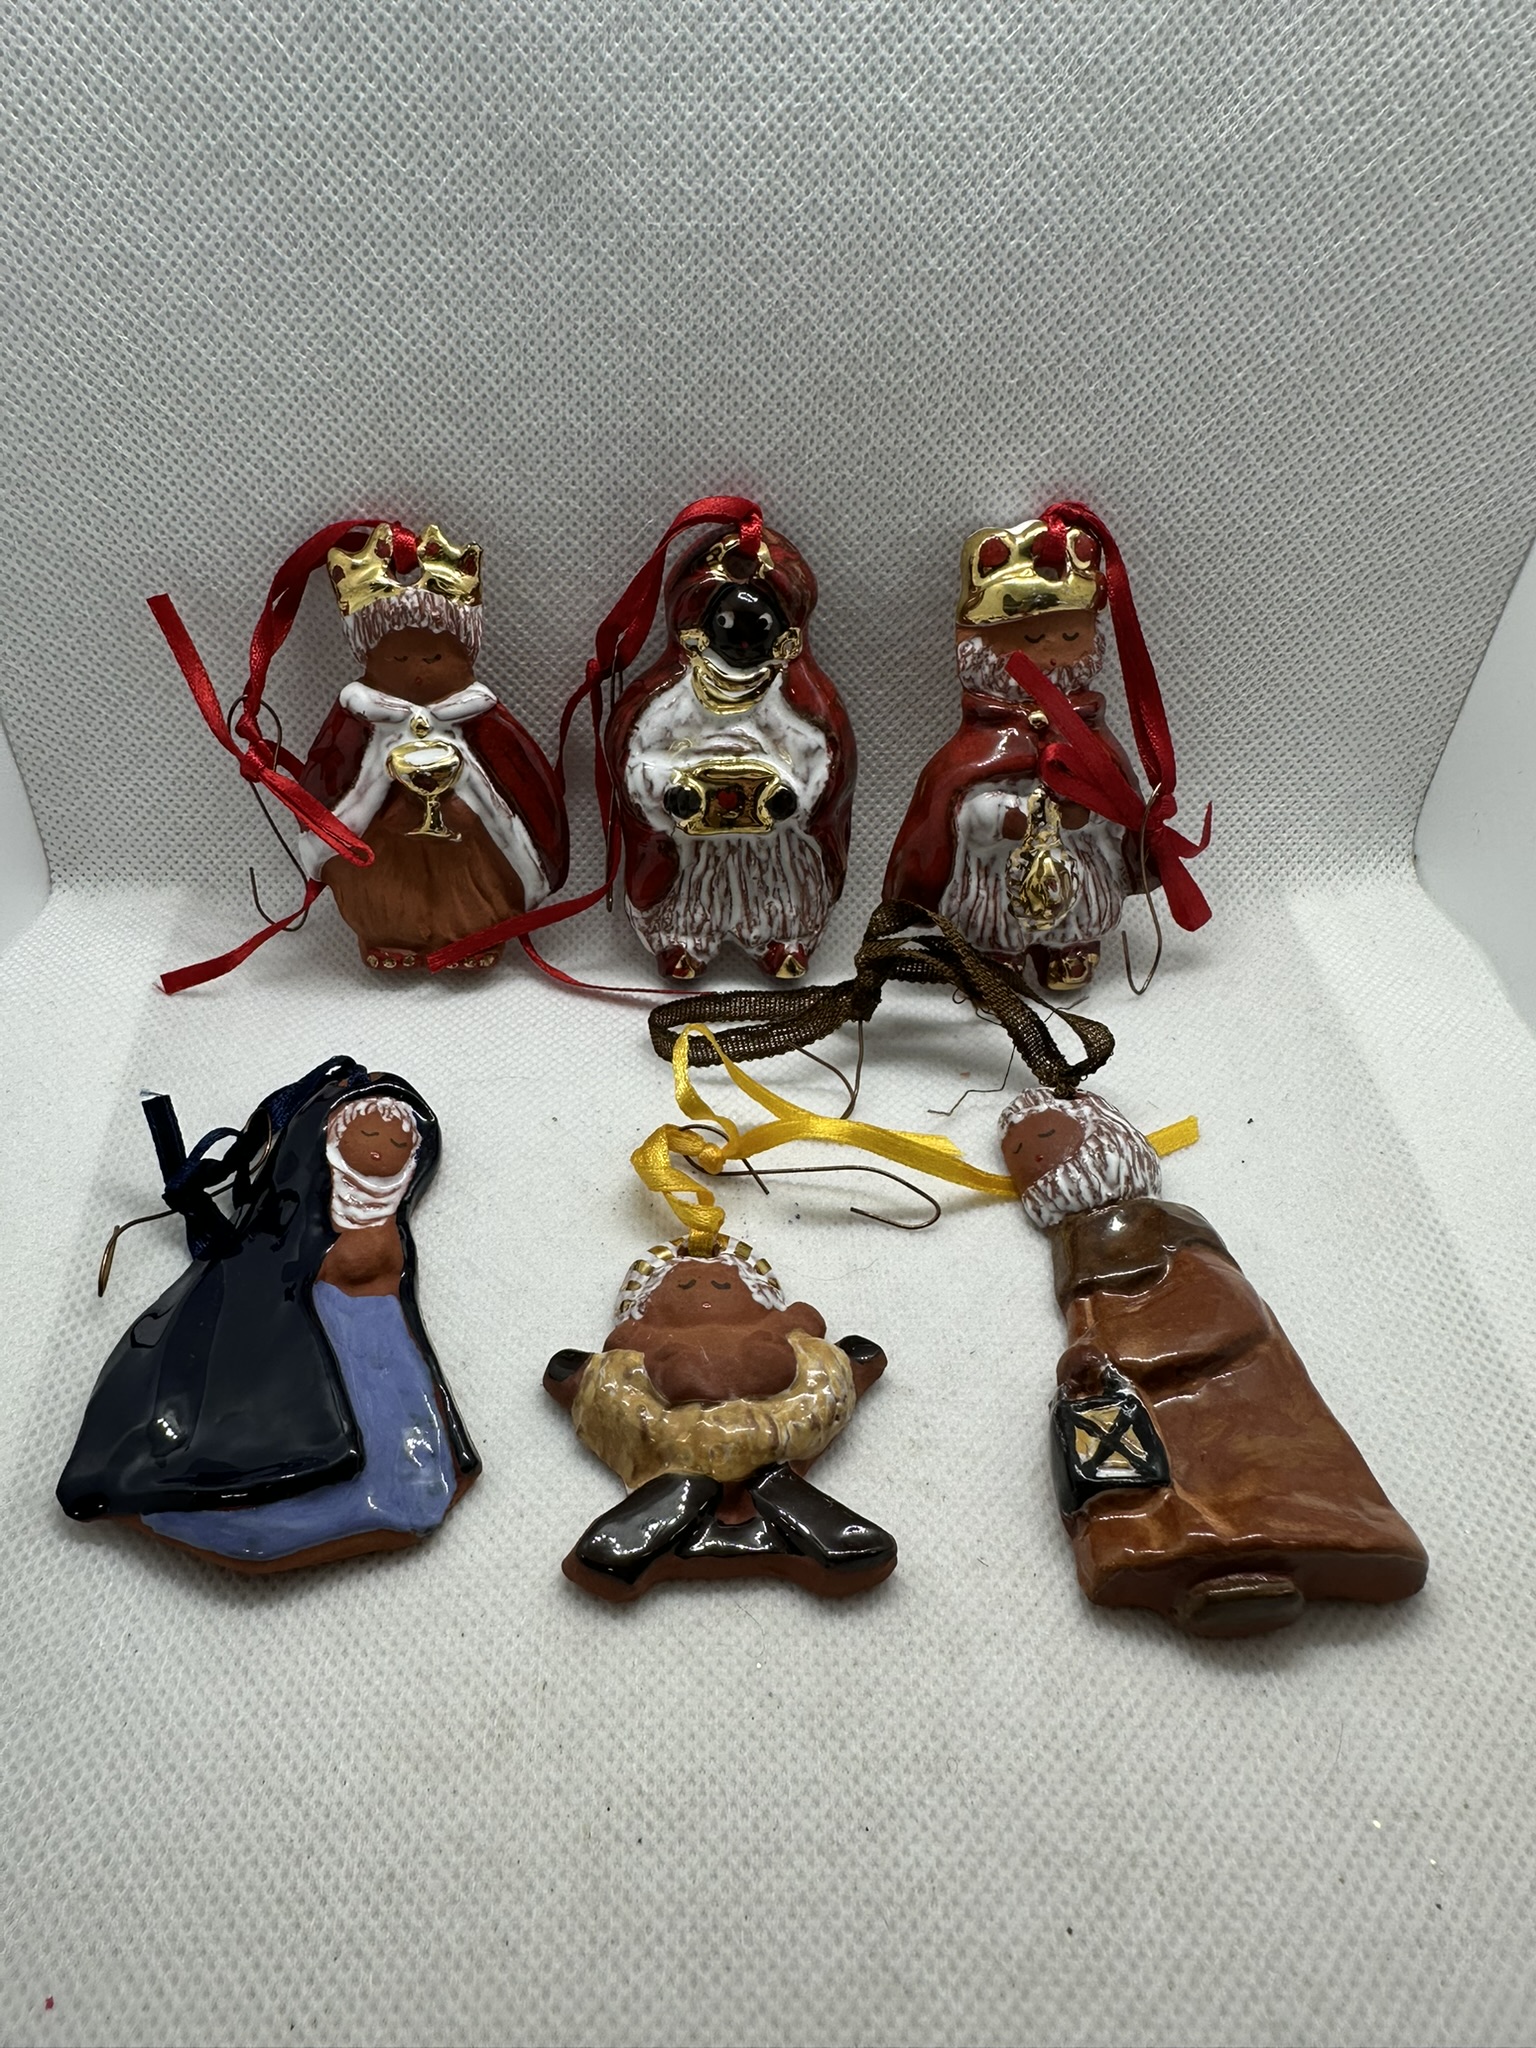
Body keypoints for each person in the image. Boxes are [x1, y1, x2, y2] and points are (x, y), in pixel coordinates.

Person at [1000, 1086, 1428, 1636]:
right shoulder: (1075, 1241)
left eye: (1047, 1137)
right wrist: (1086, 1359)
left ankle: (1290, 1549)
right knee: (1140, 1480)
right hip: (1137, 1388)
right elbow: (1090, 1318)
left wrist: (1127, 1353)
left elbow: (1226, 1306)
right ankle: (1189, 1569)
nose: (1035, 1157)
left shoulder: (1162, 1225)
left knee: (1248, 1474)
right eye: (1019, 1154)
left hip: (1223, 1384)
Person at [57, 1061, 479, 1572]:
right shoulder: (288, 1220)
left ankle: (403, 1496)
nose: (379, 1150)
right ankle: (257, 1503)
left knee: (403, 1438)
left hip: (379, 1338)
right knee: (307, 1435)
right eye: (368, 1135)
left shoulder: (386, 1217)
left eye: (396, 1144)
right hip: (311, 1340)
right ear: (333, 1138)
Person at [544, 1237, 894, 1600]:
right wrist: (576, 1373)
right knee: (695, 1482)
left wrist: (852, 1363)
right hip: (674, 1444)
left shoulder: (781, 1328)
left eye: (724, 1284)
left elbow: (810, 1331)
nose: (704, 1288)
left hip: (776, 1433)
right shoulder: (642, 1337)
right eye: (684, 1284)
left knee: (769, 1478)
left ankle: (814, 1525)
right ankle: (636, 1533)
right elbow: (605, 1358)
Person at [885, 514, 1149, 993]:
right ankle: (994, 955)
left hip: (1075, 857)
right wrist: (1002, 818)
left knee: (1084, 894)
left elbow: (1118, 804)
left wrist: (1090, 810)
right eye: (1030, 640)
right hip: (998, 863)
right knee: (991, 905)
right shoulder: (982, 739)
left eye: (1071, 637)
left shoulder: (1088, 731)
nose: (1053, 655)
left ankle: (1071, 947)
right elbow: (959, 806)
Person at [297, 523, 568, 970]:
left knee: (469, 856)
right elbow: (327, 773)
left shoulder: (479, 715)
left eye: (434, 658)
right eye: (398, 659)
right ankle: (386, 934)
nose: (417, 672)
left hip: (468, 837)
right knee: (380, 865)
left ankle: (475, 934)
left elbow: (523, 777)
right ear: (369, 658)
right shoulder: (358, 716)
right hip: (380, 842)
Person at [604, 524, 855, 981]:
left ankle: (783, 938)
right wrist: (671, 791)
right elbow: (638, 754)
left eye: (758, 627)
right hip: (694, 834)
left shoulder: (789, 695)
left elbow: (817, 753)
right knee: (694, 887)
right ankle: (683, 941)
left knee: (779, 881)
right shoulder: (676, 696)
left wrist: (792, 797)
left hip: (769, 835)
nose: (741, 641)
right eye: (725, 625)